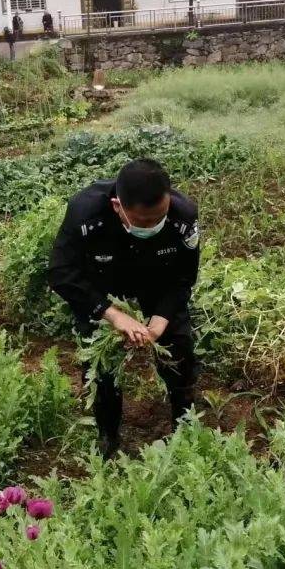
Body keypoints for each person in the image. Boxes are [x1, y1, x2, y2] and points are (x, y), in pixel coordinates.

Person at [48, 159, 200, 458]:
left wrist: (159, 321)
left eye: (160, 218)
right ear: (118, 206)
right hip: (104, 289)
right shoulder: (85, 212)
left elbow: (183, 277)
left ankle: (184, 427)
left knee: (179, 354)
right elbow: (61, 272)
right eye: (144, 222)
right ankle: (108, 438)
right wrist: (112, 314)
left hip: (158, 285)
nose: (153, 226)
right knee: (102, 365)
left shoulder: (184, 216)